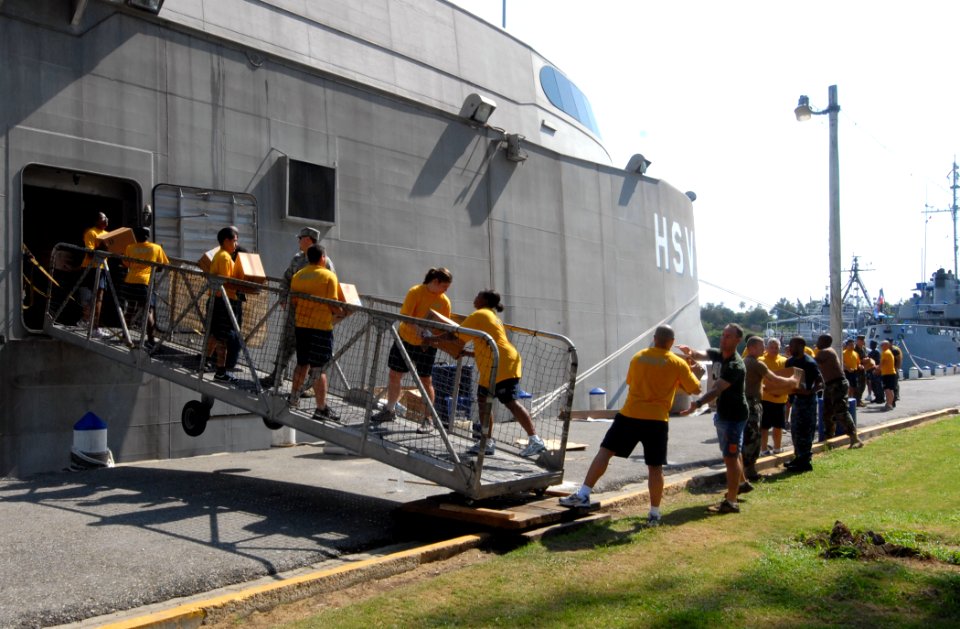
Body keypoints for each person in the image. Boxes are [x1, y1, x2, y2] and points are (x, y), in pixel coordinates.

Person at [558, 325, 703, 525]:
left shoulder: (638, 357)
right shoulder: (678, 364)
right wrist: (695, 371)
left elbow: (632, 382)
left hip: (630, 415)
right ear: (671, 342)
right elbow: (695, 389)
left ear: (654, 338)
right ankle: (654, 513)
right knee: (655, 467)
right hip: (657, 420)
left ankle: (583, 493)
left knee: (605, 452)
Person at [456, 290, 545, 458]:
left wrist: (430, 339)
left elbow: (456, 335)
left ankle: (535, 440)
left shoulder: (480, 314)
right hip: (492, 365)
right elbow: (488, 345)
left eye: (477, 295)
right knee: (483, 401)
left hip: (502, 364)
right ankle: (487, 442)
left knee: (510, 401)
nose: (474, 298)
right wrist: (467, 354)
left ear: (484, 300)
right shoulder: (490, 315)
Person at [370, 268, 454, 431]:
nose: (446, 290)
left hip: (426, 345)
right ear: (435, 281)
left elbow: (444, 325)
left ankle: (428, 418)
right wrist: (420, 331)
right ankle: (389, 409)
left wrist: (432, 336)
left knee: (425, 380)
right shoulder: (416, 292)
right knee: (394, 374)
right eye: (444, 286)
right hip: (406, 339)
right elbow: (406, 316)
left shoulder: (444, 301)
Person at [678, 323, 748, 514]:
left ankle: (731, 501)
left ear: (737, 340)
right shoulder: (719, 354)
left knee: (731, 457)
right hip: (724, 414)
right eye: (723, 334)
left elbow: (717, 389)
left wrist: (697, 403)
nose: (723, 338)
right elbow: (702, 354)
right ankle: (740, 486)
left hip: (734, 415)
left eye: (728, 336)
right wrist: (690, 351)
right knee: (732, 454)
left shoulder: (735, 365)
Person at [263, 227, 336, 388]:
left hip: (314, 318)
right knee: (286, 342)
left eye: (300, 238)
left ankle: (309, 386)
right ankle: (277, 375)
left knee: (312, 352)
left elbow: (331, 290)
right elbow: (286, 279)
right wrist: (283, 298)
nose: (298, 241)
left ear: (308, 240)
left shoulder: (326, 263)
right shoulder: (297, 259)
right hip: (294, 313)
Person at [289, 244, 344, 420]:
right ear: (323, 258)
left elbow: (295, 301)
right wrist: (343, 311)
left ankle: (293, 398)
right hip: (321, 328)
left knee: (302, 363)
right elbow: (332, 304)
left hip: (302, 325)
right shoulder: (329, 276)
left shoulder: (298, 275)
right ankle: (321, 408)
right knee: (318, 369)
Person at [740, 336, 799, 489]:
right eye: (761, 346)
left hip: (751, 402)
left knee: (752, 437)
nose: (764, 349)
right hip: (752, 405)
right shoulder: (756, 363)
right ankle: (747, 472)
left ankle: (749, 470)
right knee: (753, 439)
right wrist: (792, 381)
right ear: (752, 348)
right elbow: (774, 379)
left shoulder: (746, 361)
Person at [206, 226, 246, 382]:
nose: (236, 245)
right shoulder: (224, 257)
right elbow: (227, 281)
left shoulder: (221, 255)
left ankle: (207, 361)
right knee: (223, 337)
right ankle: (221, 371)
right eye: (234, 241)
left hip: (219, 299)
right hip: (224, 300)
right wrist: (242, 282)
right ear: (226, 241)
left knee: (216, 334)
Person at [121, 227, 169, 346]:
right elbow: (163, 265)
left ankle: (125, 335)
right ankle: (151, 340)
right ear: (148, 236)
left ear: (136, 236)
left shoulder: (130, 247)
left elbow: (126, 264)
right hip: (145, 282)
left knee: (130, 308)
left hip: (130, 280)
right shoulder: (156, 248)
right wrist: (153, 269)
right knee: (148, 311)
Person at [815, 335, 863, 448]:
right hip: (830, 384)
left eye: (819, 340)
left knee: (841, 411)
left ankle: (855, 438)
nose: (817, 342)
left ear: (824, 342)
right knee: (828, 413)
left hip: (837, 384)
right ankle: (829, 439)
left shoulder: (825, 351)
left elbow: (812, 363)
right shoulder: (825, 351)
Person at [783, 337, 822, 472]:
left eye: (792, 346)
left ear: (801, 346)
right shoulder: (789, 362)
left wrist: (809, 391)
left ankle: (805, 461)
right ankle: (798, 457)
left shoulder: (809, 362)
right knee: (795, 430)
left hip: (808, 401)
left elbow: (820, 382)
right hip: (796, 400)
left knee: (806, 430)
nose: (789, 348)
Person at [79, 211, 111, 338]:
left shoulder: (108, 234)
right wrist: (102, 247)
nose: (106, 220)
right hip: (91, 267)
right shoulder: (91, 233)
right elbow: (90, 253)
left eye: (107, 218)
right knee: (92, 298)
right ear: (97, 220)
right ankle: (92, 325)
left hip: (102, 268)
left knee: (99, 298)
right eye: (103, 218)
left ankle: (91, 324)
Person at [759, 338, 788, 455]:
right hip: (765, 398)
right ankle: (764, 449)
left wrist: (781, 391)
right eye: (771, 347)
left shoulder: (784, 361)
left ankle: (777, 448)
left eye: (776, 347)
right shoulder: (760, 360)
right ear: (766, 348)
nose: (774, 349)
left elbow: (787, 378)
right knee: (764, 427)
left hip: (780, 399)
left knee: (778, 426)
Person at [880, 339, 898, 411]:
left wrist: (876, 369)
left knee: (887, 390)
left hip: (887, 373)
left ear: (886, 345)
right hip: (891, 373)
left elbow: (882, 363)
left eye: (882, 345)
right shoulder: (889, 352)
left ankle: (889, 404)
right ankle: (889, 404)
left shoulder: (885, 353)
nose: (881, 346)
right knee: (891, 389)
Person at [842, 338, 861, 402]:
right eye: (850, 345)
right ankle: (847, 399)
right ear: (847, 345)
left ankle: (851, 399)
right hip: (847, 371)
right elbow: (842, 363)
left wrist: (860, 366)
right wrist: (848, 368)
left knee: (853, 386)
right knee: (848, 386)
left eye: (853, 345)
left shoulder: (856, 353)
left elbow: (858, 363)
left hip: (854, 372)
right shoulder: (843, 353)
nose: (852, 346)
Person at [853, 335, 868, 405]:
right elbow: (854, 359)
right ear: (858, 341)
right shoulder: (854, 349)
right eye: (861, 340)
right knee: (858, 386)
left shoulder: (864, 348)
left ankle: (859, 399)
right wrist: (862, 360)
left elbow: (866, 356)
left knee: (863, 385)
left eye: (863, 340)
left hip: (863, 369)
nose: (863, 341)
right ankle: (857, 400)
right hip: (857, 369)